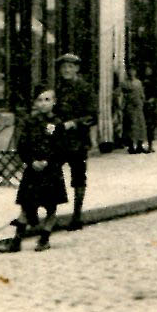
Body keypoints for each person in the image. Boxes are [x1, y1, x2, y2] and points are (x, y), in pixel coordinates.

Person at [1, 86, 66, 253]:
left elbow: (61, 149)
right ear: (35, 103)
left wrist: (49, 162)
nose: (43, 104)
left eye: (47, 100)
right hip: (33, 170)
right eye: (40, 100)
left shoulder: (57, 124)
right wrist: (31, 161)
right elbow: (22, 145)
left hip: (51, 171)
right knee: (26, 205)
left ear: (54, 102)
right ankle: (17, 240)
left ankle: (44, 238)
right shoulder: (30, 122)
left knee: (51, 207)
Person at [53, 53, 97, 230]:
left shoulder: (84, 88)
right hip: (60, 140)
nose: (66, 70)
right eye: (63, 67)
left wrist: (74, 123)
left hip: (78, 140)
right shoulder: (57, 89)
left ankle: (77, 215)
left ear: (77, 69)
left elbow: (92, 116)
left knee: (78, 177)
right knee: (50, 173)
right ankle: (48, 213)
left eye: (70, 67)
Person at [121, 67, 149, 153]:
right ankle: (131, 146)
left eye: (133, 70)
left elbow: (141, 94)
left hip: (138, 106)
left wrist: (142, 101)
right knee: (130, 126)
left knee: (140, 126)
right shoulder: (125, 83)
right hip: (130, 106)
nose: (132, 72)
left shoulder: (138, 82)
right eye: (130, 71)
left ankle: (140, 145)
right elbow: (123, 94)